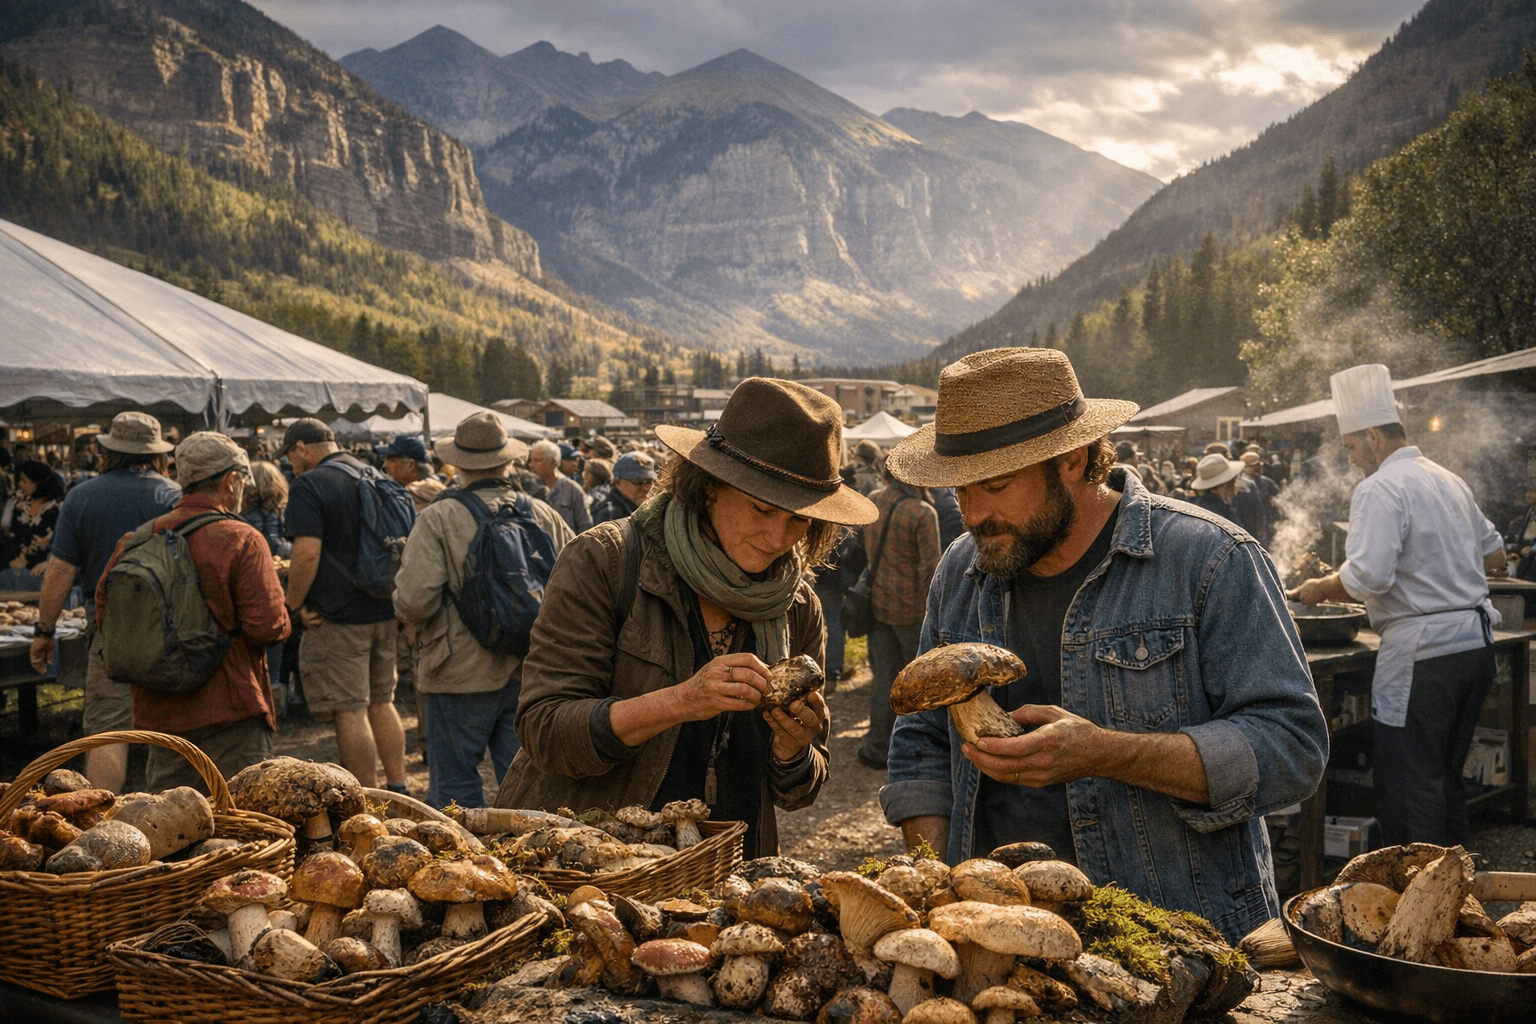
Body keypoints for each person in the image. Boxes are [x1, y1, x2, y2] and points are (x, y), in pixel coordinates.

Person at [880, 348, 1327, 943]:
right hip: (998, 940)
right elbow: (923, 743)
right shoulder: (960, 571)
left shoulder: (1210, 559)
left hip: (1171, 944)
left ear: (1073, 458)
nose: (974, 513)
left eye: (995, 484)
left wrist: (1105, 753)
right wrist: (935, 889)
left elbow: (1292, 750)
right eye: (959, 490)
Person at [496, 378, 879, 858]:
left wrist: (793, 749)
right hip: (596, 862)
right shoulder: (607, 561)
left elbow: (799, 790)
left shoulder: (797, 605)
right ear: (710, 485)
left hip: (731, 871)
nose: (779, 538)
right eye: (763, 509)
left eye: (799, 519)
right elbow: (545, 730)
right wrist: (680, 701)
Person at [1292, 364, 1505, 849]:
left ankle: (1417, 891)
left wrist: (1320, 587)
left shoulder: (1380, 487)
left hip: (1424, 656)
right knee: (1445, 777)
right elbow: (1495, 555)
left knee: (1410, 788)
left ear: (1372, 436)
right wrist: (1445, 569)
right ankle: (1457, 887)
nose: (1351, 460)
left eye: (1350, 447)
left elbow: (1368, 577)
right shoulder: (1449, 480)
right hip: (1475, 647)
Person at [394, 413, 574, 807]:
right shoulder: (542, 513)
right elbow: (577, 590)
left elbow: (414, 600)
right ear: (507, 460)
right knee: (527, 783)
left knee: (455, 788)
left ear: (458, 463)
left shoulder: (438, 516)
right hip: (532, 666)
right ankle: (530, 846)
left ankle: (462, 848)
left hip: (458, 670)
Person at [96, 433, 290, 790]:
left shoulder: (136, 540)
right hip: (231, 709)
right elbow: (267, 627)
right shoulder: (242, 539)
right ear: (230, 481)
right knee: (238, 816)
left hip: (161, 714)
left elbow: (105, 616)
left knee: (173, 818)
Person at [30, 412, 181, 792]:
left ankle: (99, 816)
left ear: (109, 450)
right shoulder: (177, 497)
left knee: (109, 730)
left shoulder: (82, 496)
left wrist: (44, 630)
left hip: (110, 629)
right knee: (173, 724)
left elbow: (59, 572)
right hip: (174, 629)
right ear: (157, 452)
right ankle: (182, 815)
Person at [279, 418, 410, 792]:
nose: (291, 465)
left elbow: (306, 553)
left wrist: (292, 605)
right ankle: (398, 785)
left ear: (302, 448)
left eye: (290, 457)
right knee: (382, 701)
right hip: (384, 607)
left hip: (338, 617)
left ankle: (365, 799)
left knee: (350, 708)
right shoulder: (375, 474)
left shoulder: (309, 483)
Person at [856, 462, 940, 771]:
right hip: (913, 610)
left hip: (879, 605)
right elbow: (931, 568)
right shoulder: (922, 512)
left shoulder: (873, 500)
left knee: (884, 679)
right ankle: (918, 752)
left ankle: (877, 747)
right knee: (920, 684)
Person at [3, 460, 66, 587]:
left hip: (43, 570)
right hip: (14, 567)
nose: (20, 484)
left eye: (24, 480)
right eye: (20, 480)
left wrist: (48, 563)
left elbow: (64, 544)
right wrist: (13, 558)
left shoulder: (58, 508)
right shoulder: (20, 503)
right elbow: (11, 537)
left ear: (38, 482)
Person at [528, 439, 592, 534]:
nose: (532, 465)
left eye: (537, 460)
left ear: (553, 462)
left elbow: (585, 525)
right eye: (531, 460)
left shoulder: (572, 489)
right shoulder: (529, 488)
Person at [591, 452, 657, 525]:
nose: (646, 487)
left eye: (649, 481)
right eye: (639, 481)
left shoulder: (647, 509)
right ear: (618, 482)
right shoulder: (609, 514)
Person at [1187, 452, 1245, 522]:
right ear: (1224, 484)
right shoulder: (1215, 509)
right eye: (1233, 480)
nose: (1236, 484)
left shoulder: (1210, 503)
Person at [1504, 484, 1536, 582]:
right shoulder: (1529, 509)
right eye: (1528, 492)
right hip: (1526, 552)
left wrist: (1533, 549)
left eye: (1533, 492)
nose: (1529, 495)